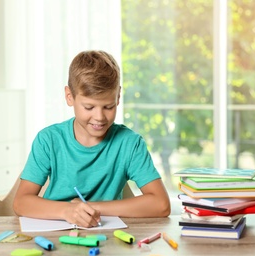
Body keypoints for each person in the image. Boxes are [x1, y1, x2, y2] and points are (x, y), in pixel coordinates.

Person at [13, 50, 171, 228]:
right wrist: (67, 211)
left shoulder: (130, 143)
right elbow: (21, 202)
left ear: (118, 96)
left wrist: (90, 208)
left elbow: (161, 205)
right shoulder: (48, 140)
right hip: (54, 237)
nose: (99, 117)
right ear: (69, 96)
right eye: (89, 107)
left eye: (108, 106)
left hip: (108, 239)